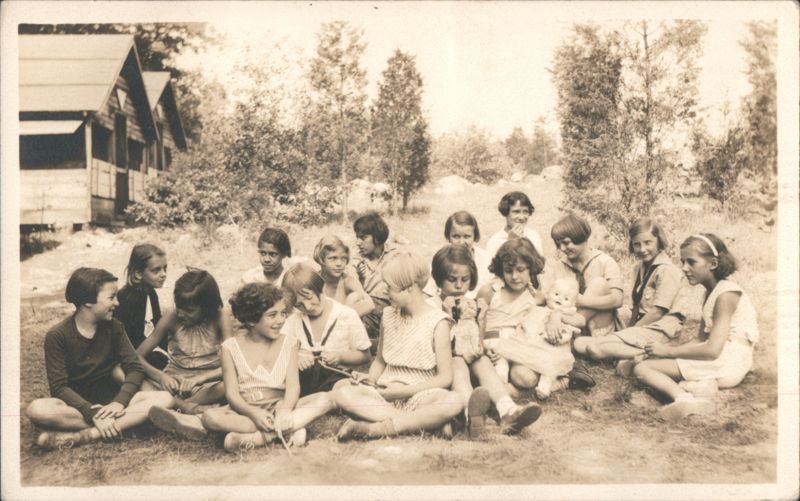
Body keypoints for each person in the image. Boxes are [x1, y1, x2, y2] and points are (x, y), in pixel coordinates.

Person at [26, 268, 173, 450]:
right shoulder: (57, 335)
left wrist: (119, 402)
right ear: (88, 301)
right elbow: (59, 387)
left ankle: (85, 435)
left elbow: (134, 368)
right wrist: (92, 412)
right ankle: (130, 423)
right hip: (78, 408)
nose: (117, 303)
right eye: (111, 298)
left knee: (164, 398)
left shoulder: (115, 327)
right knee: (37, 409)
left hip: (115, 403)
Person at [333, 252, 464, 441]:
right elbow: (379, 361)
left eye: (390, 287)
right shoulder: (388, 314)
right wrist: (369, 379)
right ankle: (428, 423)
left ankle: (378, 429)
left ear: (410, 288)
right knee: (342, 391)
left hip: (421, 393)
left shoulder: (438, 322)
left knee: (453, 400)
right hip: (386, 391)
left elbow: (445, 378)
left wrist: (402, 392)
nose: (385, 291)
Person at [633, 234, 758, 422]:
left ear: (713, 263)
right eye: (683, 262)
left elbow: (713, 350)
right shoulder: (711, 292)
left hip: (730, 360)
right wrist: (665, 353)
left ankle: (685, 399)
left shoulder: (727, 294)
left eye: (691, 262)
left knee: (643, 368)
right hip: (724, 359)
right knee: (656, 363)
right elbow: (700, 339)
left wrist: (668, 351)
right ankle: (701, 387)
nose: (684, 268)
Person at [201, 283, 332, 452]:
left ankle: (259, 438)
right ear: (251, 319)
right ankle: (286, 431)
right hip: (246, 412)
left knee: (324, 399)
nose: (281, 320)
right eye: (272, 315)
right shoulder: (229, 348)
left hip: (281, 406)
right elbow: (232, 394)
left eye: (283, 313)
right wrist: (253, 413)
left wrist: (284, 411)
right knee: (209, 417)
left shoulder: (290, 344)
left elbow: (293, 386)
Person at [428, 245, 542, 437]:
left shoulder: (469, 303)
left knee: (483, 361)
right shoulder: (433, 305)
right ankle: (469, 415)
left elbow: (474, 339)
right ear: (439, 279)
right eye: (452, 280)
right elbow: (433, 345)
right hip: (443, 364)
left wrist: (481, 341)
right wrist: (448, 316)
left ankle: (508, 410)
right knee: (457, 364)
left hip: (468, 360)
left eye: (465, 280)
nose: (459, 286)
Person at [572, 218, 686, 374]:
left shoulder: (667, 270)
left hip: (659, 330)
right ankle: (629, 355)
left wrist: (627, 333)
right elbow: (636, 307)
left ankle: (649, 355)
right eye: (636, 244)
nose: (642, 249)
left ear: (659, 242)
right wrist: (629, 331)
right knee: (579, 343)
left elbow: (657, 312)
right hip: (641, 329)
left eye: (648, 243)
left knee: (593, 348)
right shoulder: (639, 268)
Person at [141, 270, 232, 439]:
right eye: (179, 307)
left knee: (231, 383)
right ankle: (190, 411)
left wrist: (200, 379)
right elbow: (137, 356)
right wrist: (161, 377)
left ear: (207, 307)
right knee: (131, 375)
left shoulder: (221, 317)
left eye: (189, 310)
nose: (181, 313)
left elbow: (233, 362)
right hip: (172, 385)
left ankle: (176, 410)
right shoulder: (172, 316)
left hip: (207, 386)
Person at [549, 212, 624, 389]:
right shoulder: (559, 266)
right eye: (559, 244)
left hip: (598, 328)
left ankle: (579, 345)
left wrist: (581, 301)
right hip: (572, 330)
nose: (563, 248)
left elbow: (617, 299)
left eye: (567, 242)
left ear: (581, 237)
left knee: (598, 284)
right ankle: (570, 359)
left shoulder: (605, 261)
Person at [280, 262, 372, 397]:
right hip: (303, 380)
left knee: (347, 389)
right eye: (299, 304)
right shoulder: (294, 320)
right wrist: (297, 357)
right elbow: (280, 352)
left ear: (319, 287)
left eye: (309, 297)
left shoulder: (346, 315)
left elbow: (365, 356)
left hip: (336, 377)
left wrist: (341, 356)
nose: (308, 307)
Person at [495, 278, 585, 399]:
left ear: (572, 305)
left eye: (566, 299)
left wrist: (557, 317)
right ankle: (502, 372)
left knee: (547, 369)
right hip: (526, 349)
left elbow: (579, 322)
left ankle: (553, 383)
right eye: (556, 294)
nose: (559, 299)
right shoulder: (536, 309)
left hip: (548, 352)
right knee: (512, 363)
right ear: (547, 295)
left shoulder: (566, 316)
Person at [476, 238, 547, 389]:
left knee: (526, 379)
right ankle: (503, 392)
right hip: (492, 347)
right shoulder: (490, 292)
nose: (514, 276)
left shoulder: (534, 296)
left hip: (517, 347)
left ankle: (511, 388)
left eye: (520, 270)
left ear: (531, 268)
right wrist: (483, 347)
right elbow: (475, 323)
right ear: (501, 270)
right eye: (508, 271)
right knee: (494, 373)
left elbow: (549, 314)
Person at [113, 244, 169, 371]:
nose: (163, 274)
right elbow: (130, 338)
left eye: (165, 269)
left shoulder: (150, 293)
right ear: (138, 273)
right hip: (132, 352)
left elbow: (157, 325)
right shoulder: (129, 297)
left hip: (146, 346)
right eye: (156, 271)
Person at [351, 211, 400, 346]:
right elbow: (349, 274)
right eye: (357, 237)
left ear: (377, 238)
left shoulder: (396, 255)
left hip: (391, 306)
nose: (358, 243)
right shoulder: (357, 257)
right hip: (365, 306)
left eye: (363, 238)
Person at [312, 234, 375, 317]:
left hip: (341, 325)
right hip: (317, 325)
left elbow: (370, 305)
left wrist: (343, 316)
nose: (339, 264)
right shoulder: (312, 280)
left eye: (343, 258)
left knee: (355, 296)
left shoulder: (347, 280)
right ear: (321, 259)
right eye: (333, 258)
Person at [484, 191, 544, 258]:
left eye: (525, 211)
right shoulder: (495, 241)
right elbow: (492, 267)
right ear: (505, 212)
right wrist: (510, 243)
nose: (521, 217)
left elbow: (539, 265)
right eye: (516, 212)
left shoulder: (533, 236)